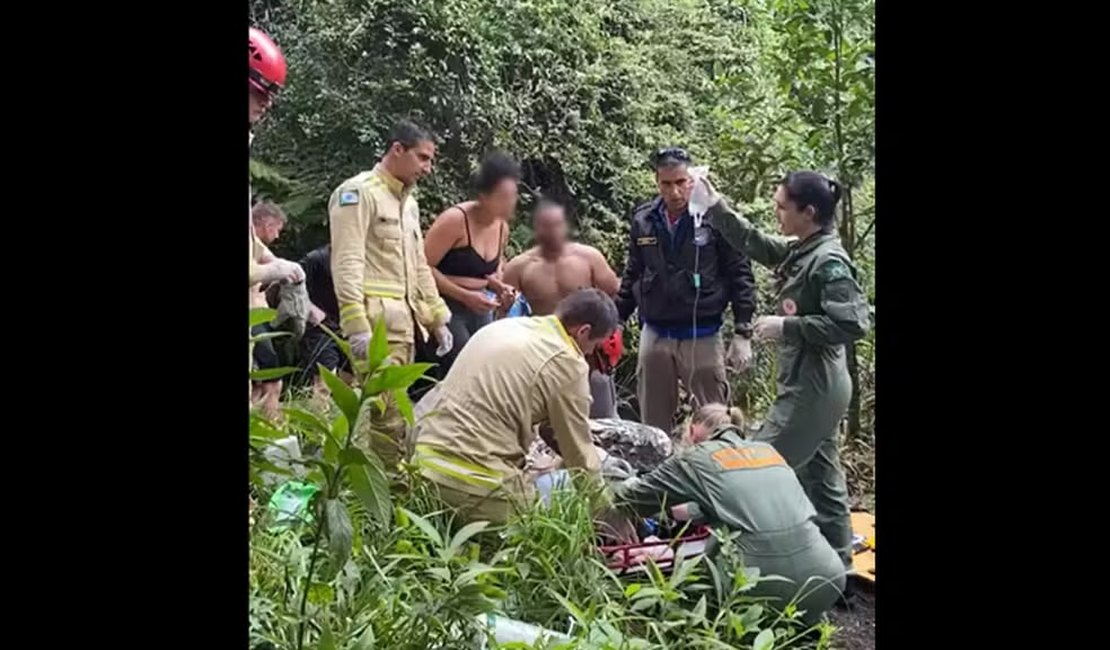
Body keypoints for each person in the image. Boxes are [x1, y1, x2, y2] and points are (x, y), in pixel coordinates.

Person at [693, 170, 871, 572]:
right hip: (812, 382)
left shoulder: (828, 262)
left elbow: (853, 324)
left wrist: (787, 326)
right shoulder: (803, 248)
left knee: (753, 469)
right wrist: (716, 206)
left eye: (782, 208)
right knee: (823, 480)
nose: (777, 213)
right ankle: (837, 570)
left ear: (808, 212)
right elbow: (758, 244)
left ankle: (717, 575)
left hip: (815, 386)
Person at [612, 403, 846, 624]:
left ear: (692, 432)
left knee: (700, 567)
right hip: (827, 578)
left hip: (758, 585)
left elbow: (627, 497)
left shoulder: (694, 457)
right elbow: (734, 505)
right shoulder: (767, 451)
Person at [410, 288, 619, 525]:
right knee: (548, 538)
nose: (590, 354)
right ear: (583, 332)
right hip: (477, 482)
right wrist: (607, 514)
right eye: (594, 347)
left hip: (423, 468)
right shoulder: (567, 362)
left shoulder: (503, 328)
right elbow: (580, 454)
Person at [329, 119, 454, 467]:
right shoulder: (358, 193)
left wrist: (437, 316)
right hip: (375, 323)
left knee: (391, 409)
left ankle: (379, 484)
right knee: (388, 415)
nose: (427, 168)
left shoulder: (408, 205)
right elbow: (348, 260)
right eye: (422, 158)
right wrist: (357, 326)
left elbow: (418, 266)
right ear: (396, 149)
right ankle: (388, 492)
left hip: (404, 326)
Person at [614, 148, 756, 434]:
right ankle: (656, 474)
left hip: (701, 332)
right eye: (666, 184)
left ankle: (717, 472)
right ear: (657, 182)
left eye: (681, 182)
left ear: (693, 180)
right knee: (652, 424)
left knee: (714, 420)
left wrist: (743, 332)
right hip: (655, 331)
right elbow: (634, 273)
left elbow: (740, 272)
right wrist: (616, 320)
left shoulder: (716, 218)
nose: (675, 191)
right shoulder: (644, 220)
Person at [502, 199, 623, 418]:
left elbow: (613, 291)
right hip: (545, 349)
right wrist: (505, 304)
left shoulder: (588, 257)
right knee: (549, 416)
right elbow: (502, 315)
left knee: (602, 414)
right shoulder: (520, 266)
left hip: (589, 348)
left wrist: (607, 336)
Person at [422, 151, 520, 374]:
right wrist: (463, 295)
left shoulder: (502, 226)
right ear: (484, 197)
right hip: (444, 305)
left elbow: (493, 267)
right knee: (461, 365)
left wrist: (500, 286)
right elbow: (422, 266)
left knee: (484, 364)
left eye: (513, 195)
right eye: (503, 197)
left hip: (480, 305)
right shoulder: (455, 220)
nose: (511, 203)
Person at [297, 244, 354, 396]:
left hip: (349, 326)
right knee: (323, 381)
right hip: (320, 328)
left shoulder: (359, 260)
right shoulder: (316, 258)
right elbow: (290, 285)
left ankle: (344, 418)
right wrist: (309, 306)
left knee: (351, 380)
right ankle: (320, 417)